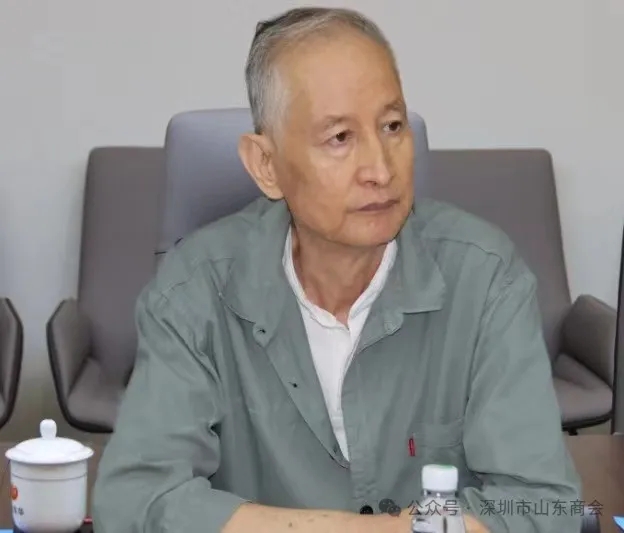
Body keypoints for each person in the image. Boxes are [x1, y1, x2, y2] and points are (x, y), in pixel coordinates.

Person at [92, 7, 581, 533]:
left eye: (392, 126)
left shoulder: (485, 277)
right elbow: (134, 502)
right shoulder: (192, 291)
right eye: (340, 138)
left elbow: (544, 506)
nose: (381, 170)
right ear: (266, 165)